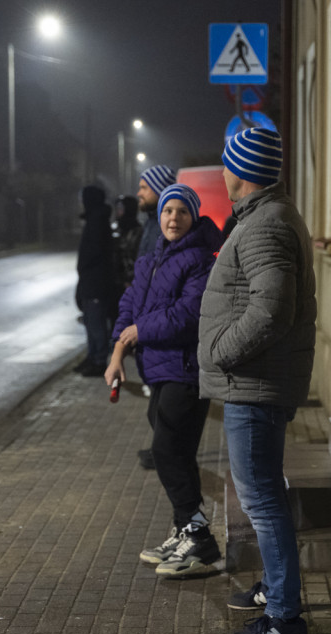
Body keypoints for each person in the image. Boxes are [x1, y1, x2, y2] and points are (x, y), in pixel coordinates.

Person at [197, 127, 317, 634]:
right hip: (256, 383)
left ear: (240, 172)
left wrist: (220, 350)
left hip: (255, 385)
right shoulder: (266, 218)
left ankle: (284, 617)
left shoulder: (265, 225)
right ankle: (275, 589)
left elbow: (271, 311)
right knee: (265, 494)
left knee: (263, 500)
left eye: (226, 164)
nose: (222, 173)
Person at [105, 183, 225, 577]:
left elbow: (187, 315)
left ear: (193, 218)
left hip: (185, 370)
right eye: (168, 211)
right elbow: (129, 305)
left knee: (166, 451)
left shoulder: (200, 260)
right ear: (160, 217)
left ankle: (199, 537)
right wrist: (119, 349)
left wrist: (138, 331)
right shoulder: (151, 260)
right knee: (177, 453)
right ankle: (184, 531)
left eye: (182, 212)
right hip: (159, 371)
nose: (174, 218)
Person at [134, 164, 178, 467]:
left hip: (158, 320)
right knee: (156, 396)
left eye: (144, 188)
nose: (139, 193)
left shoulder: (163, 226)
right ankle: (164, 451)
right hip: (149, 317)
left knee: (162, 401)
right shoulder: (152, 222)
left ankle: (168, 454)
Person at [74, 185, 117, 377]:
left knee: (97, 324)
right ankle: (92, 357)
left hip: (97, 283)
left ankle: (99, 361)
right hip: (90, 281)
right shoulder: (94, 219)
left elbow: (95, 253)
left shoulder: (97, 222)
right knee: (91, 322)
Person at [112, 194, 141, 290]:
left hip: (129, 283)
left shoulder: (137, 231)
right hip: (114, 281)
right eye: (117, 208)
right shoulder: (115, 229)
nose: (118, 212)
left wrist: (129, 279)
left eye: (121, 208)